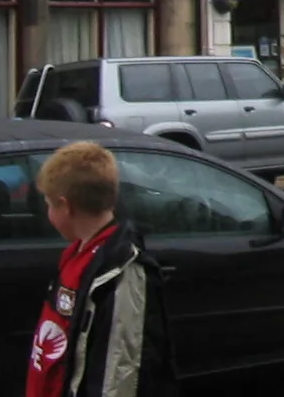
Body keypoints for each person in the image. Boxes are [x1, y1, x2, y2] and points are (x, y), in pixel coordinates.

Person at [29, 141, 175, 397]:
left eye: (49, 205)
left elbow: (119, 370)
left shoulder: (122, 272)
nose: (48, 213)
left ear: (67, 206)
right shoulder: (76, 254)